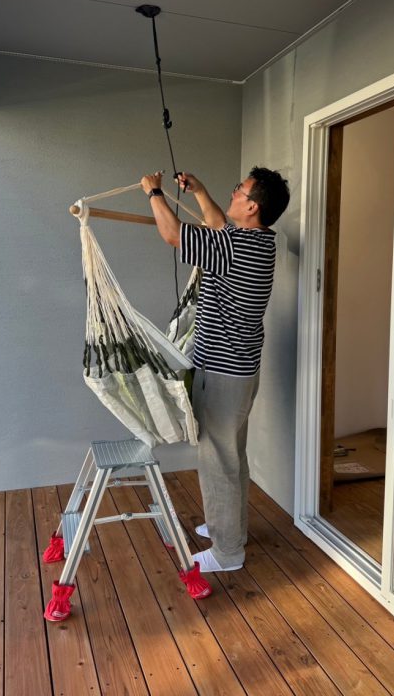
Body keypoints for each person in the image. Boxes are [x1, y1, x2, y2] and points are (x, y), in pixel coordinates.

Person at [141, 167, 290, 573]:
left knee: (217, 460)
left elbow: (173, 235)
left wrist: (154, 194)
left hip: (224, 373)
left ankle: (227, 552)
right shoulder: (259, 241)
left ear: (252, 206)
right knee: (231, 454)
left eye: (239, 190)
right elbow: (218, 225)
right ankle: (231, 530)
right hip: (239, 370)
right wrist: (201, 191)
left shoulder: (235, 247)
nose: (234, 192)